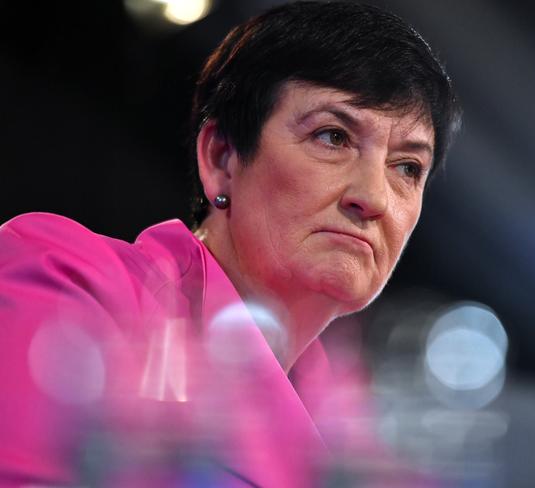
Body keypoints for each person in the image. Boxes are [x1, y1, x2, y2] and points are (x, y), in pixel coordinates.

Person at [0, 1, 460, 486]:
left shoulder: (375, 448)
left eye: (408, 168)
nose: (374, 198)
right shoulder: (73, 282)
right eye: (333, 137)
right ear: (222, 157)